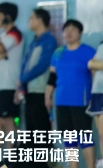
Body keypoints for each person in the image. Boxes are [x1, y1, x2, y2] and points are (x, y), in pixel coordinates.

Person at [45, 19, 95, 168]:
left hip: (81, 101)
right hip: (61, 101)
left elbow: (96, 77)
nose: (69, 32)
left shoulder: (89, 52)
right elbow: (52, 77)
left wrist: (95, 97)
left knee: (84, 137)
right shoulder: (58, 53)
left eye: (73, 29)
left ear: (80, 33)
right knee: (69, 138)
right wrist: (47, 96)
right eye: (66, 29)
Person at [15, 8, 57, 167]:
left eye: (31, 18)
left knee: (41, 132)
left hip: (41, 92)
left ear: (40, 20)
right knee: (31, 132)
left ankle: (44, 164)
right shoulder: (34, 42)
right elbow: (25, 64)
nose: (29, 21)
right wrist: (21, 85)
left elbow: (42, 66)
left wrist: (23, 79)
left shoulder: (49, 41)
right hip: (29, 92)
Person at [0, 2, 22, 151]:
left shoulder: (15, 34)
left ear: (7, 16)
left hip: (9, 85)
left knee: (9, 123)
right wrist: (2, 54)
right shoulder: (2, 35)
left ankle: (12, 158)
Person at [87, 39, 103, 168]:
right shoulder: (101, 45)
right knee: (100, 134)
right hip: (97, 92)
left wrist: (95, 64)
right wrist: (94, 64)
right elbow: (90, 64)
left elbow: (93, 63)